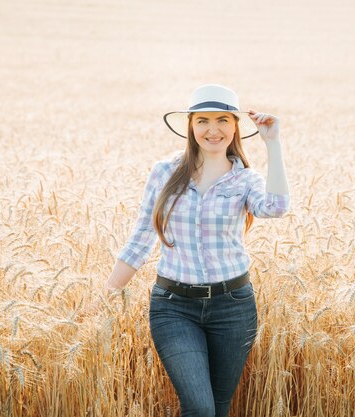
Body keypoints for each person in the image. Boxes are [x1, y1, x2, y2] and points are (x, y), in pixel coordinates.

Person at [103, 84, 290, 417]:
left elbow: (275, 208)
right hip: (174, 308)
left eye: (222, 120)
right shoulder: (164, 172)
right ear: (190, 125)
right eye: (202, 120)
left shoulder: (245, 180)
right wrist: (104, 295)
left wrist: (272, 142)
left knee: (218, 408)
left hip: (233, 308)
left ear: (235, 126)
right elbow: (142, 237)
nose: (212, 129)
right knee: (201, 409)